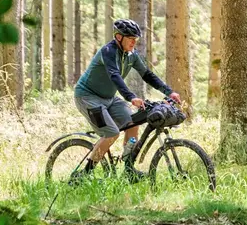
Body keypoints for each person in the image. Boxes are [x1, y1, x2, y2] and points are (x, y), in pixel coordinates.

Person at [73, 18, 181, 174]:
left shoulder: (131, 54)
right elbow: (115, 76)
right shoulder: (108, 52)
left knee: (133, 123)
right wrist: (131, 97)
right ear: (119, 37)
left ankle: (128, 169)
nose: (133, 42)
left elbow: (147, 75)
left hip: (109, 98)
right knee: (111, 133)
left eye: (135, 39)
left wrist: (168, 91)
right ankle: (85, 174)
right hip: (87, 96)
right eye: (130, 38)